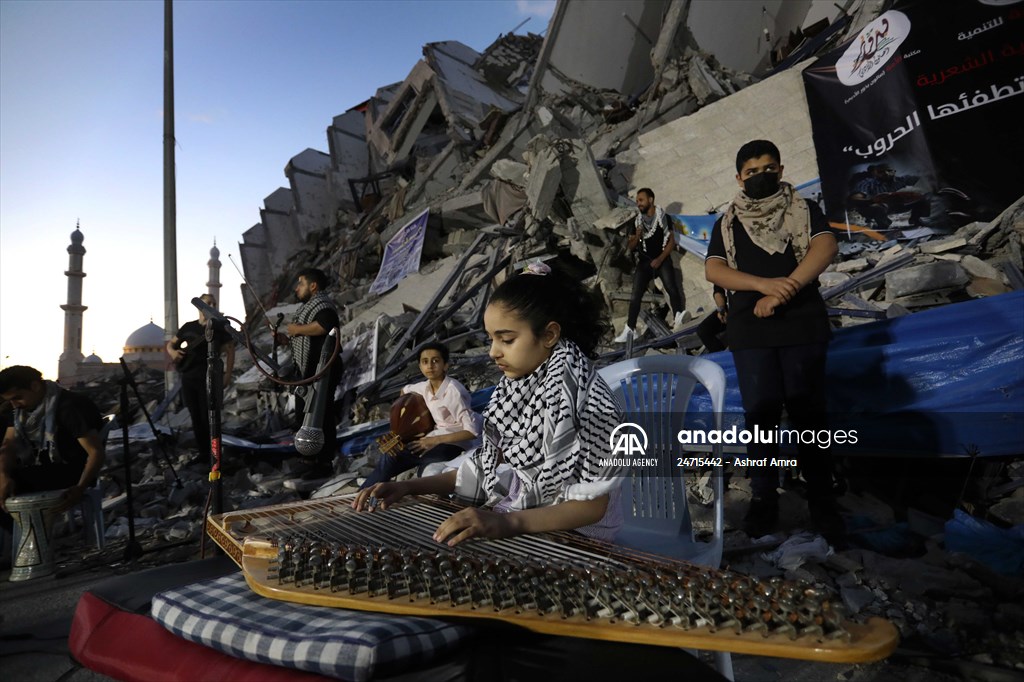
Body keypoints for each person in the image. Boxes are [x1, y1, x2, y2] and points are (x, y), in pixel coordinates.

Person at [353, 262, 626, 545]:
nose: (493, 352)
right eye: (491, 339)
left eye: (506, 339)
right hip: (530, 519)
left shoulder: (589, 403)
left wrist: (507, 522)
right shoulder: (519, 389)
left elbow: (592, 507)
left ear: (549, 335)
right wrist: (409, 487)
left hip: (579, 539)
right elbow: (485, 466)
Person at [705, 140, 842, 540]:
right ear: (739, 178)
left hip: (801, 324)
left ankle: (823, 503)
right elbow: (716, 269)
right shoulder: (727, 222)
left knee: (809, 417)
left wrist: (787, 288)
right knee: (760, 420)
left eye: (768, 168)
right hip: (751, 331)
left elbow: (825, 245)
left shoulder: (802, 209)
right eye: (751, 171)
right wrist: (763, 285)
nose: (760, 175)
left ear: (780, 170)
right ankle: (764, 501)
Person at [359, 342, 482, 490]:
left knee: (392, 457)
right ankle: (372, 492)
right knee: (390, 451)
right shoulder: (424, 387)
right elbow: (404, 392)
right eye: (425, 362)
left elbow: (472, 432)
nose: (430, 366)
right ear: (420, 367)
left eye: (436, 361)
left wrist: (434, 440)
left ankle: (365, 494)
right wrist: (412, 425)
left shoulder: (454, 392)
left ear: (446, 365)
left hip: (452, 445)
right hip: (433, 436)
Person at [0, 366, 105, 528]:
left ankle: (28, 541)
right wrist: (3, 475)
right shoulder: (22, 411)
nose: (15, 405)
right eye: (10, 400)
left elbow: (95, 452)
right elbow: (8, 446)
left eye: (18, 397)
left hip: (71, 472)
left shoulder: (69, 407)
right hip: (40, 467)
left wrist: (80, 488)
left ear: (35, 386)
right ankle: (20, 537)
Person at [614, 188, 690, 343]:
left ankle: (678, 316)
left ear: (651, 200)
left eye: (641, 200)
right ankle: (630, 329)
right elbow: (631, 246)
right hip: (644, 262)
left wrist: (660, 259)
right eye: (637, 201)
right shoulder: (637, 221)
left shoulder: (663, 217)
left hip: (661, 259)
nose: (638, 204)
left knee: (672, 287)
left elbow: (671, 242)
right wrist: (638, 235)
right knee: (636, 295)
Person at [166, 294, 235, 465]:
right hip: (189, 377)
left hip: (210, 378)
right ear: (199, 306)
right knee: (196, 417)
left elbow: (230, 350)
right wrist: (174, 352)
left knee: (209, 417)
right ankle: (204, 454)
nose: (211, 305)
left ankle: (215, 455)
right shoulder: (189, 327)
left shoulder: (219, 327)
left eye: (214, 303)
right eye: (207, 303)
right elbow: (171, 344)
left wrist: (227, 375)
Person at [287, 267, 342, 478]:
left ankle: (323, 463)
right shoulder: (310, 307)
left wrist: (297, 330)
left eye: (300, 283)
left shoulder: (322, 304)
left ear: (313, 286)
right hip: (310, 370)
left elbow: (325, 327)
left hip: (323, 369)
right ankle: (307, 459)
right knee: (305, 415)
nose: (296, 288)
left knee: (321, 416)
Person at [847, 163, 931, 230]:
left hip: (901, 205)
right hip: (883, 208)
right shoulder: (867, 183)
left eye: (889, 170)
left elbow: (925, 178)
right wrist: (872, 200)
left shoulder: (902, 180)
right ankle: (884, 227)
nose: (886, 173)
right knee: (876, 207)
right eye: (881, 172)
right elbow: (855, 198)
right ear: (874, 173)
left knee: (926, 197)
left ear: (894, 171)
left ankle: (916, 220)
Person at [695, 285, 728, 353]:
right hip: (728, 308)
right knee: (703, 330)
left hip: (744, 307)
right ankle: (721, 356)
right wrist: (721, 309)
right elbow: (718, 290)